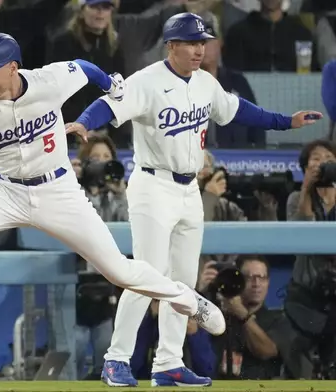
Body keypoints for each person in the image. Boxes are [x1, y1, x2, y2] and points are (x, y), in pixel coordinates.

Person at [0, 32, 226, 354]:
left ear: (12, 67)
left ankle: (188, 300)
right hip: (4, 191)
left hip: (58, 191)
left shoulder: (49, 80)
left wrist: (111, 85)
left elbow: (85, 67)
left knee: (119, 272)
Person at [67, 12, 322, 387]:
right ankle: (115, 359)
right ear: (171, 45)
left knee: (183, 282)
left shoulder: (205, 82)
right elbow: (111, 103)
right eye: (191, 42)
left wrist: (286, 122)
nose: (199, 49)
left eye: (203, 42)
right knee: (146, 276)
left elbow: (238, 111)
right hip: (153, 186)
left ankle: (168, 363)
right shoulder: (148, 80)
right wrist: (86, 122)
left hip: (189, 190)